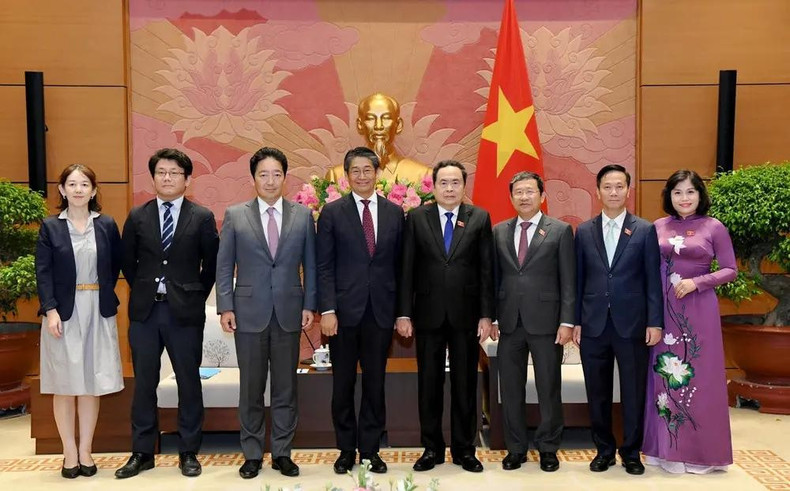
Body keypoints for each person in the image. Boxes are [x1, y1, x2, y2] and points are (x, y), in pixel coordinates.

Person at [116, 148, 219, 479]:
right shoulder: (137, 216)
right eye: (161, 172)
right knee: (145, 382)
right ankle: (142, 452)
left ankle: (189, 451)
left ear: (187, 180)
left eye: (175, 173)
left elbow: (212, 264)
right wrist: (147, 287)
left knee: (189, 382)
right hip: (146, 312)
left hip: (185, 313)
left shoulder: (201, 217)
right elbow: (127, 263)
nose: (167, 178)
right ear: (153, 177)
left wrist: (194, 293)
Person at [216, 147, 317, 479]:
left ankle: (283, 452)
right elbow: (224, 265)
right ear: (253, 178)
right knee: (251, 387)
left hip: (289, 311)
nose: (270, 180)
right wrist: (226, 306)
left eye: (276, 174)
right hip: (248, 312)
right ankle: (252, 453)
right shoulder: (235, 214)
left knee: (286, 387)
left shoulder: (302, 216)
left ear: (285, 178)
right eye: (263, 174)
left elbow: (311, 266)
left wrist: (309, 305)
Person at [397, 160, 494, 473]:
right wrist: (404, 313)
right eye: (444, 183)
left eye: (455, 183)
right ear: (433, 186)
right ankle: (432, 448)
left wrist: (486, 315)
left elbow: (486, 271)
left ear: (464, 187)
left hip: (466, 316)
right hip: (427, 315)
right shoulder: (416, 218)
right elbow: (406, 270)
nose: (450, 188)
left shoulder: (479, 218)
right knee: (429, 384)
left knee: (466, 384)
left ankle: (465, 450)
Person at [642, 170, 737, 474]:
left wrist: (699, 282)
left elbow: (729, 270)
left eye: (690, 192)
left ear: (700, 195)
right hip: (664, 312)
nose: (684, 198)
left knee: (700, 378)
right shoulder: (657, 226)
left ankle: (701, 454)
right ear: (669, 197)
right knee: (664, 377)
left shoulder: (714, 227)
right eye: (677, 192)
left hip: (699, 311)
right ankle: (665, 451)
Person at [317, 147, 405, 475]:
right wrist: (327, 309)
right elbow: (324, 266)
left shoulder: (395, 213)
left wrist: (402, 312)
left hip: (380, 312)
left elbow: (401, 267)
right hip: (341, 314)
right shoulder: (332, 213)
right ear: (346, 175)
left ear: (377, 173)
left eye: (368, 170)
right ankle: (344, 449)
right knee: (342, 385)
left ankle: (370, 450)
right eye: (356, 170)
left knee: (375, 383)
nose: (362, 176)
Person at [573, 164, 663, 475]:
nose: (613, 192)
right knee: (596, 391)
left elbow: (653, 280)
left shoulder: (645, 229)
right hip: (594, 324)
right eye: (607, 187)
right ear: (597, 192)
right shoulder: (583, 231)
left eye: (619, 186)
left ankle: (631, 452)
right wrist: (575, 322)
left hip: (632, 324)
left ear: (628, 190)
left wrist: (655, 322)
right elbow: (577, 281)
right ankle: (604, 450)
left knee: (633, 390)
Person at [35, 164, 124, 479]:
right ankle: (68, 452)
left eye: (84, 184)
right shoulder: (50, 227)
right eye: (71, 184)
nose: (77, 189)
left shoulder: (107, 225)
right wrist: (50, 309)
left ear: (94, 190)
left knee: (91, 384)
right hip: (63, 313)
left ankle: (86, 449)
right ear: (61, 190)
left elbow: (114, 266)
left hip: (97, 309)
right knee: (65, 385)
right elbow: (43, 271)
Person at [491, 171, 575, 472]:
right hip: (510, 322)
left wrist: (567, 320)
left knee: (548, 388)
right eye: (518, 192)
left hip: (547, 323)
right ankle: (516, 448)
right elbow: (495, 278)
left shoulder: (560, 230)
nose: (524, 197)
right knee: (511, 389)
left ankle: (549, 448)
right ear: (511, 197)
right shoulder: (499, 231)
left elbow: (568, 280)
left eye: (529, 191)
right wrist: (492, 317)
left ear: (542, 196)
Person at [327, 93, 432, 185]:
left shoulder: (422, 175)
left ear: (398, 125)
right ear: (360, 125)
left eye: (386, 118)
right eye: (370, 119)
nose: (378, 126)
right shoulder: (337, 176)